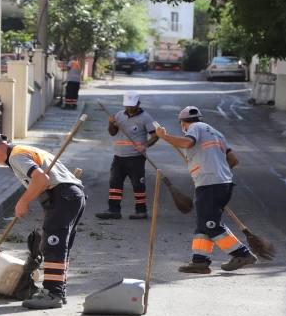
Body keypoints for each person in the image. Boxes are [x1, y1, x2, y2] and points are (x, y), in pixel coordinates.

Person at [0, 134, 86, 309]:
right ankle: (57, 291)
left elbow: (41, 179)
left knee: (53, 245)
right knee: (59, 246)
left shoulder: (16, 155)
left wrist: (23, 201)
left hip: (63, 197)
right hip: (70, 197)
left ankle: (53, 294)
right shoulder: (23, 151)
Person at [154, 106, 257, 273]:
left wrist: (164, 136)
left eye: (182, 124)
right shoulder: (217, 133)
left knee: (210, 224)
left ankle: (242, 254)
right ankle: (200, 261)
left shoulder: (194, 128)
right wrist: (219, 173)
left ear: (183, 123)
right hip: (221, 183)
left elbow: (187, 142)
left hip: (209, 184)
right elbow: (233, 159)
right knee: (203, 223)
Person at [96, 91, 158, 220]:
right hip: (119, 156)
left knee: (138, 184)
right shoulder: (119, 115)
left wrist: (145, 146)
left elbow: (155, 135)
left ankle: (141, 211)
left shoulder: (146, 117)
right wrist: (111, 123)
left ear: (138, 103)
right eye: (127, 105)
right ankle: (113, 210)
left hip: (136, 157)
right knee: (114, 183)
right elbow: (112, 133)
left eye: (132, 105)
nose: (129, 108)